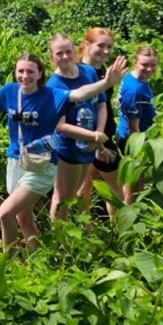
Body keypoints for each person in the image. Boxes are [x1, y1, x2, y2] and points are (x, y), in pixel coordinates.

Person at [0, 52, 125, 252]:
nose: (25, 76)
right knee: (23, 217)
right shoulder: (10, 92)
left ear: (40, 73)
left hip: (42, 164)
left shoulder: (51, 95)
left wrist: (106, 83)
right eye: (20, 71)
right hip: (16, 161)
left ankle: (7, 263)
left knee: (5, 211)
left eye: (30, 72)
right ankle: (41, 260)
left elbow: (80, 93)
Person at [47, 33, 111, 222]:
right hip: (67, 150)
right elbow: (60, 126)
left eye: (68, 51)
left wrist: (98, 134)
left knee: (73, 195)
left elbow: (101, 104)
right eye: (59, 53)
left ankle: (69, 241)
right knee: (62, 199)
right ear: (52, 57)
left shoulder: (88, 72)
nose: (65, 57)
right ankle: (59, 246)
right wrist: (95, 137)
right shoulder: (54, 85)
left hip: (88, 147)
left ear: (75, 51)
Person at [75, 28, 125, 217]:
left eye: (109, 47)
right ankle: (119, 232)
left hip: (101, 137)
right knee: (117, 189)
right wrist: (98, 145)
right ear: (87, 45)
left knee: (86, 185)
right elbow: (84, 111)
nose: (105, 51)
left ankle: (90, 229)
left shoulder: (101, 69)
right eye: (100, 46)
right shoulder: (79, 73)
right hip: (96, 139)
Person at [117, 45, 160, 203]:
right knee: (134, 183)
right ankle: (129, 212)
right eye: (144, 65)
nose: (149, 69)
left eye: (153, 65)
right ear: (135, 61)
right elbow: (133, 127)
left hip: (131, 134)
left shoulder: (134, 78)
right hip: (132, 140)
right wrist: (140, 150)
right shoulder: (135, 90)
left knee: (132, 180)